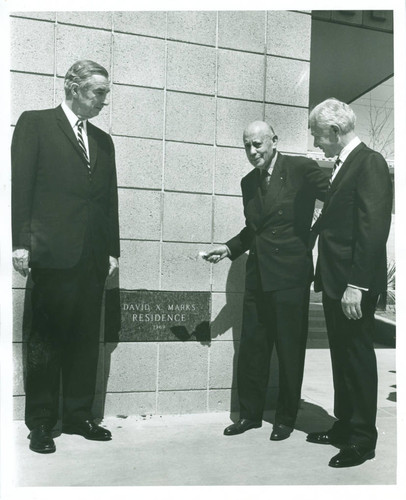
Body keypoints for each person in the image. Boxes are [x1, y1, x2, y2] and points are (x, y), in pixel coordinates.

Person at [12, 60, 120, 454]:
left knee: (84, 340)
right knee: (44, 341)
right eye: (99, 93)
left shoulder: (104, 141)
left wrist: (112, 250)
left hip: (91, 258)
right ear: (73, 88)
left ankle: (78, 416)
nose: (104, 101)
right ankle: (41, 423)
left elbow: (109, 200)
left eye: (106, 93)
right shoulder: (35, 124)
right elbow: (20, 186)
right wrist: (20, 242)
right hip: (51, 255)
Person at [203, 121, 328, 441]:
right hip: (258, 276)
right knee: (252, 350)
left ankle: (286, 417)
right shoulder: (248, 182)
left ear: (274, 140)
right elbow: (255, 230)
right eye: (247, 146)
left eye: (258, 144)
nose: (252, 151)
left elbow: (336, 197)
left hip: (290, 277)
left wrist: (313, 236)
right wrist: (229, 248)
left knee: (289, 351)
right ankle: (250, 415)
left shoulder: (300, 167)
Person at [307, 98, 392, 468]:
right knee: (341, 355)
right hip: (335, 280)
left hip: (352, 283)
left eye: (317, 136)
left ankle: (362, 438)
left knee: (356, 356)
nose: (316, 143)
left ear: (335, 131)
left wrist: (356, 284)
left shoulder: (369, 162)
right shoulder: (344, 165)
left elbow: (373, 229)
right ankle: (344, 425)